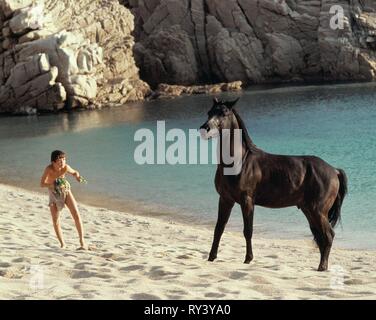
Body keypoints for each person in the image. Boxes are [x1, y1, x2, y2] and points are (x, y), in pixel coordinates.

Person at [40, 150, 86, 249]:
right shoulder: (49, 169)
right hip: (53, 194)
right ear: (53, 162)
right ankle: (62, 244)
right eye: (60, 160)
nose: (63, 162)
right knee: (55, 220)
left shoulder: (65, 167)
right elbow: (42, 184)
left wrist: (78, 177)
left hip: (65, 190)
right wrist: (51, 185)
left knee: (76, 214)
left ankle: (82, 242)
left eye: (64, 159)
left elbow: (74, 172)